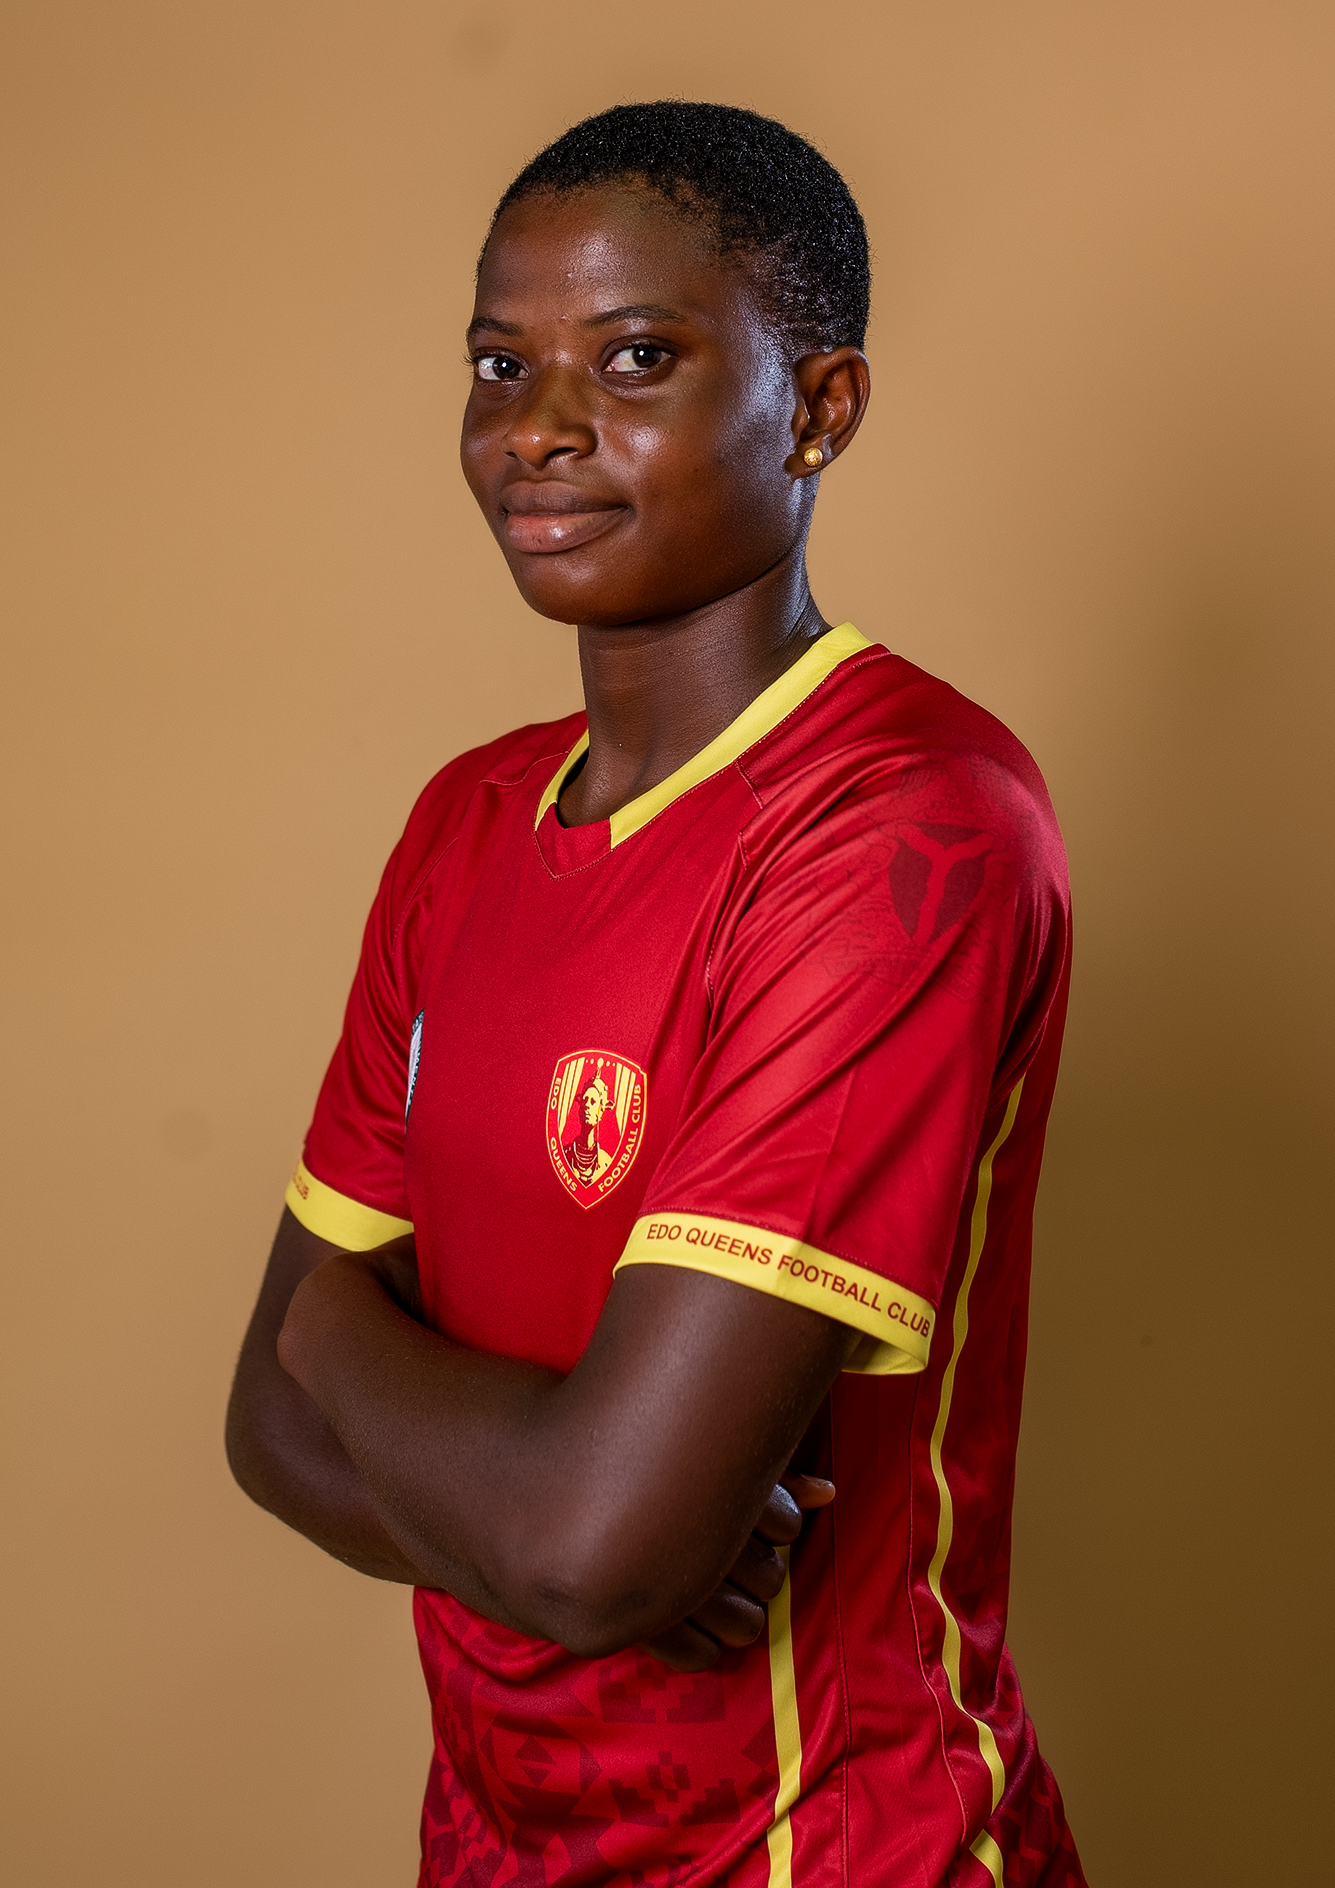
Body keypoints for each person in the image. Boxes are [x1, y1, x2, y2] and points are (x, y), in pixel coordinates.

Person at [226, 101, 1086, 1888]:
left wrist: (351, 1349)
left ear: (818, 408)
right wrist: (548, 1522)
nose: (538, 428)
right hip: (491, 1843)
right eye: (499, 363)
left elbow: (588, 1544)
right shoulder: (468, 819)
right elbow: (277, 1433)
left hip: (822, 1846)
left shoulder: (902, 830)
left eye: (633, 359)